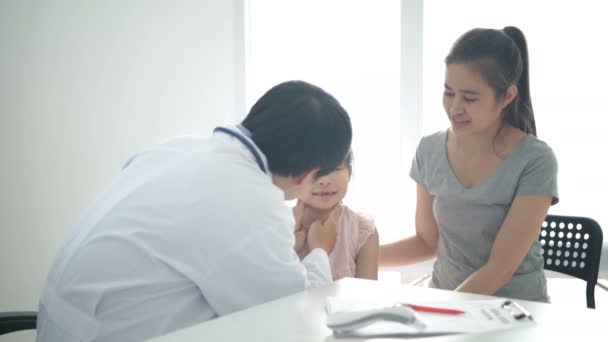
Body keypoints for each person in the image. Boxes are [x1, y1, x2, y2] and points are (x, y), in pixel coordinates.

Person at [36, 80, 352, 342]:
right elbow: (289, 318)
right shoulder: (250, 200)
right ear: (305, 174)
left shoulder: (176, 149)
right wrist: (320, 250)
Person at [379, 26, 558, 302]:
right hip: (446, 302)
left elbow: (500, 268)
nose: (455, 108)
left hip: (515, 310)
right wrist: (357, 254)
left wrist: (444, 313)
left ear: (507, 96)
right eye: (448, 93)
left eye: (470, 98)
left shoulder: (535, 160)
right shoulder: (429, 150)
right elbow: (428, 242)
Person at [294, 150, 379, 280]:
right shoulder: (276, 225)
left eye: (334, 168)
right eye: (310, 170)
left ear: (349, 173)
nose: (324, 180)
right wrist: (291, 250)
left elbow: (367, 297)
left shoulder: (362, 230)